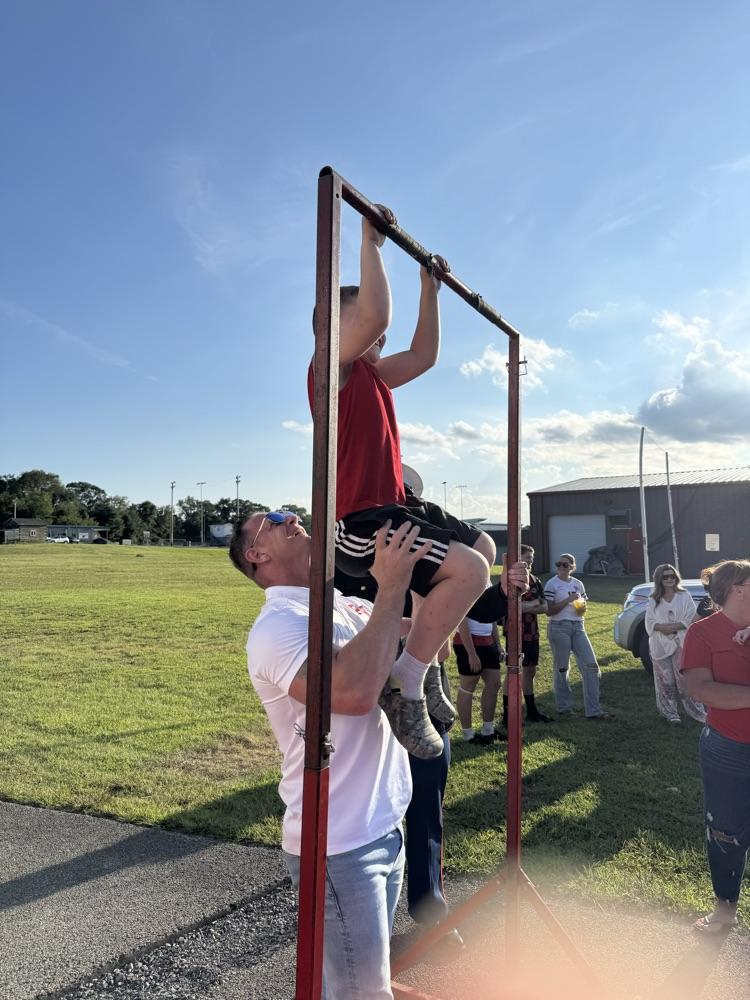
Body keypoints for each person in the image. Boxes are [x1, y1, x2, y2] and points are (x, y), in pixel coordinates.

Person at [308, 203, 502, 755]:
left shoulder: (373, 375)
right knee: (467, 570)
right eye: (367, 329)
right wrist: (371, 244)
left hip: (397, 506)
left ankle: (416, 664)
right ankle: (408, 678)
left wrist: (429, 289)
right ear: (335, 328)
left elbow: (424, 354)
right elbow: (372, 318)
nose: (380, 339)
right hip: (359, 520)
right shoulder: (330, 369)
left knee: (483, 547)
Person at [230, 510, 430, 998]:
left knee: (361, 984)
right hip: (337, 843)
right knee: (362, 993)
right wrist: (390, 587)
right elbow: (357, 694)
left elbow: (428, 646)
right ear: (257, 555)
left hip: (384, 824)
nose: (292, 515)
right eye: (274, 519)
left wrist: (449, 582)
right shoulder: (277, 627)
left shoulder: (341, 604)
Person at [681, 559, 750, 934]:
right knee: (725, 830)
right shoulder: (703, 633)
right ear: (738, 588)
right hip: (729, 748)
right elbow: (701, 689)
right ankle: (725, 909)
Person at [544, 553, 613, 720]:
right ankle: (565, 708)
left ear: (572, 568)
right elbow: (549, 611)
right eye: (558, 564)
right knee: (562, 668)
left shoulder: (578, 584)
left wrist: (581, 607)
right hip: (559, 627)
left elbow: (582, 608)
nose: (561, 567)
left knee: (592, 666)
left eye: (565, 565)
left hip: (578, 626)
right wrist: (569, 599)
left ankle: (594, 711)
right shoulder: (552, 584)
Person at [645, 564, 706, 725]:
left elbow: (691, 617)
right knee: (664, 680)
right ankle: (670, 713)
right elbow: (649, 622)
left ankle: (696, 711)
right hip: (660, 643)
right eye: (665, 577)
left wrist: (675, 626)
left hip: (680, 641)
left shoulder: (684, 595)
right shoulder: (653, 599)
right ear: (659, 579)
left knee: (685, 679)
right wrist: (662, 628)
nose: (669, 579)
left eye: (672, 576)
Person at [501, 544, 552, 725]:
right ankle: (507, 714)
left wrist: (526, 607)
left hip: (532, 632)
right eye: (528, 557)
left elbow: (545, 607)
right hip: (515, 632)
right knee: (513, 670)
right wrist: (531, 606)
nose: (531, 561)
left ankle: (531, 711)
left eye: (532, 557)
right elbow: (510, 606)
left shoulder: (535, 581)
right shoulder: (511, 580)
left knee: (530, 671)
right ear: (519, 558)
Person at [453, 615, 505, 744]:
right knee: (468, 686)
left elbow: (492, 617)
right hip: (467, 643)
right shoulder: (465, 594)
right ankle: (468, 734)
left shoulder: (488, 594)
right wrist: (471, 653)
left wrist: (497, 645)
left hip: (488, 642)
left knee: (494, 684)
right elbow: (461, 621)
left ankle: (488, 729)